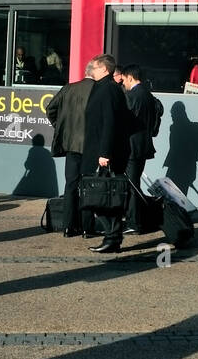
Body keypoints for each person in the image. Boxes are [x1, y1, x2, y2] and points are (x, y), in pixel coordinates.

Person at [82, 54, 133, 254]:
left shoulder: (108, 90)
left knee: (104, 197)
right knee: (100, 196)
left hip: (103, 155)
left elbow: (109, 124)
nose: (91, 69)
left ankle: (112, 238)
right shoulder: (103, 87)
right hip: (97, 151)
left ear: (104, 69)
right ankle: (112, 237)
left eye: (94, 66)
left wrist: (104, 153)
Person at [47, 61, 97, 238]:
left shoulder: (68, 88)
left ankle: (68, 226)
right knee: (89, 186)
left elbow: (50, 108)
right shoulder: (98, 90)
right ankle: (86, 227)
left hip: (70, 145)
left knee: (70, 185)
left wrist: (60, 127)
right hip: (91, 146)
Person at [121, 64, 162, 234]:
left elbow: (124, 122)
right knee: (134, 182)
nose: (123, 84)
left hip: (131, 147)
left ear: (130, 77)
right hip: (143, 145)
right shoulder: (148, 95)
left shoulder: (132, 96)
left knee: (132, 184)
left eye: (124, 80)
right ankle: (135, 219)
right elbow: (159, 110)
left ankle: (133, 222)